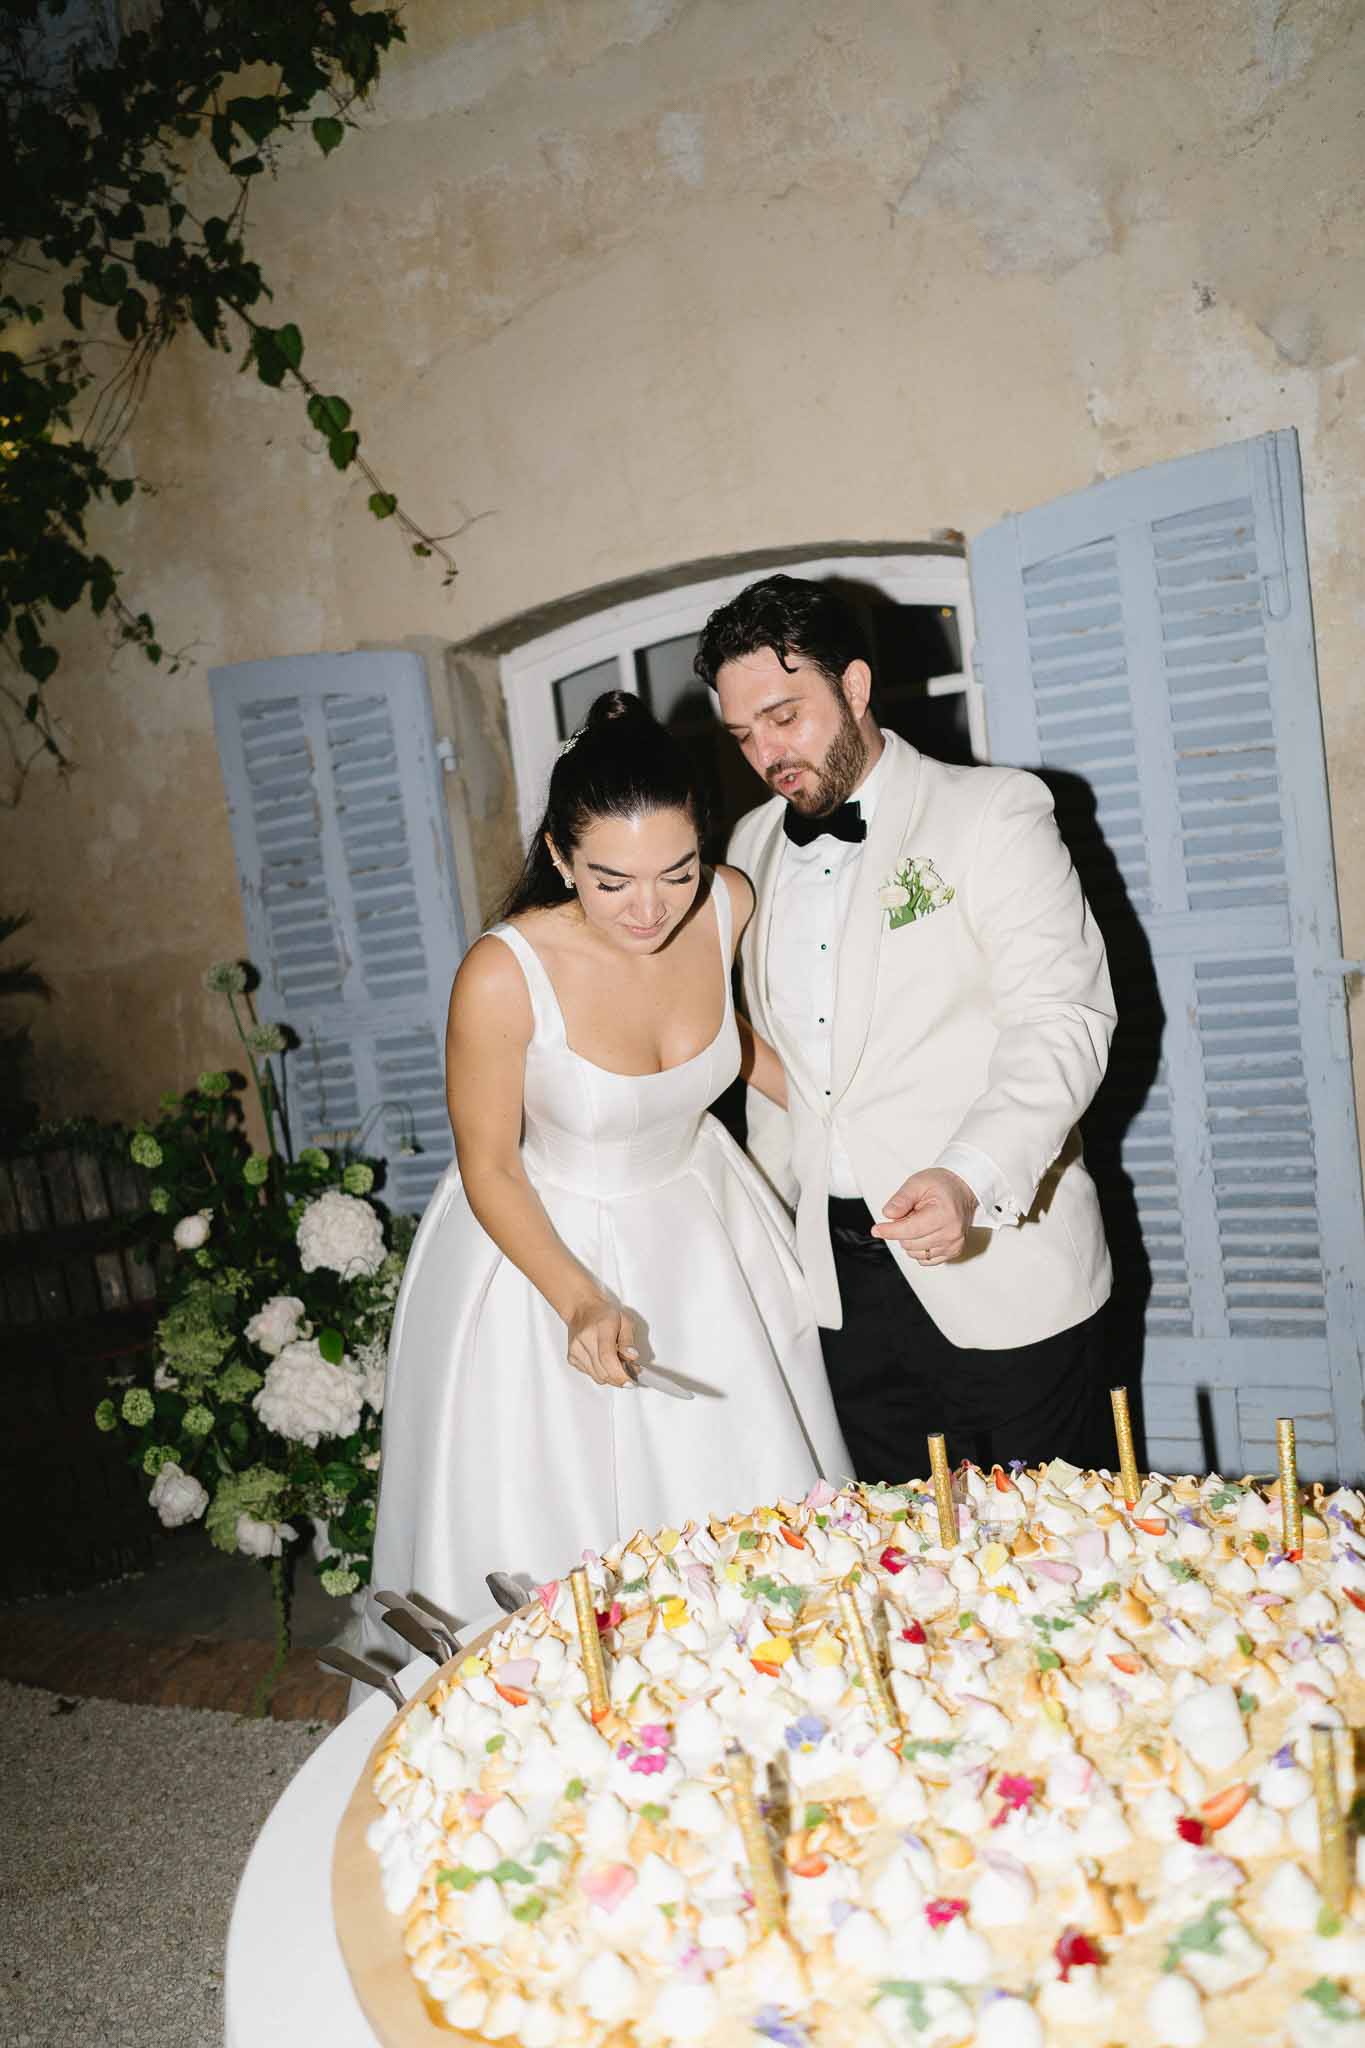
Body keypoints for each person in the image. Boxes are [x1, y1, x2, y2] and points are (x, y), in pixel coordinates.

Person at [358, 689, 848, 1659]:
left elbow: (725, 1042)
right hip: (542, 1245)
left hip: (704, 1229)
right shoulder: (502, 973)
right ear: (557, 857)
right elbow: (489, 1163)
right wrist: (582, 1301)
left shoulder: (729, 904)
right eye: (613, 881)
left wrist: (853, 1116)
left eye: (676, 870)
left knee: (744, 1503)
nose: (651, 908)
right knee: (558, 1537)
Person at [695, 574, 1116, 1481]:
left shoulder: (993, 812)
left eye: (783, 717)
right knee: (902, 1580)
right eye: (742, 735)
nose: (767, 754)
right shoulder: (747, 849)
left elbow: (1062, 1023)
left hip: (999, 1263)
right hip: (843, 1301)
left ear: (853, 686)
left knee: (1056, 1576)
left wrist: (967, 1177)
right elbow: (783, 1082)